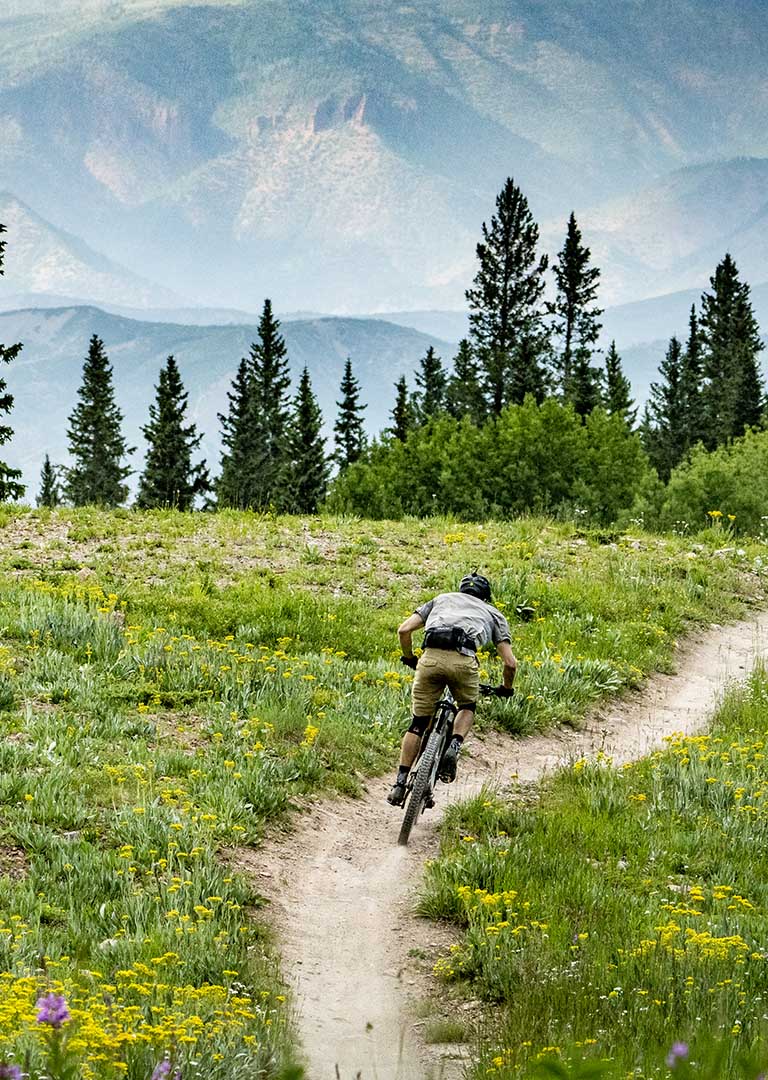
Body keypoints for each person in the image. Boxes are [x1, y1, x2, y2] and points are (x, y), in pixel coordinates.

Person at [387, 572, 516, 806]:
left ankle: (399, 782)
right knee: (467, 706)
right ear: (486, 597)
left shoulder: (441, 599)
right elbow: (510, 663)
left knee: (418, 723)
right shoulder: (493, 613)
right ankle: (454, 745)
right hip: (464, 660)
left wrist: (409, 658)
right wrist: (506, 688)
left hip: (430, 658)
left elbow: (404, 630)